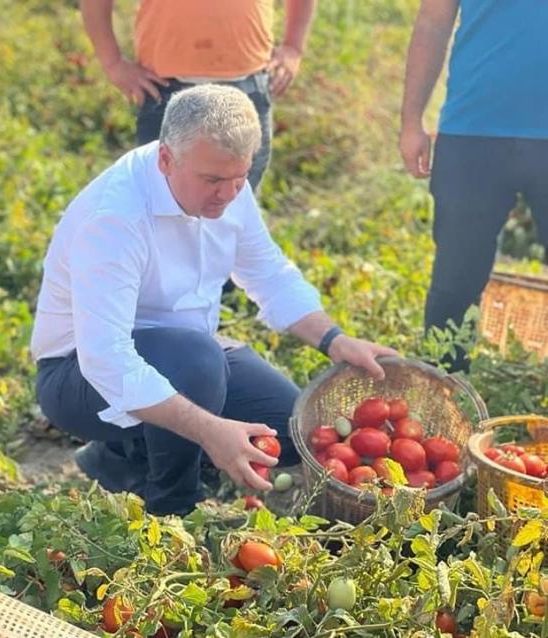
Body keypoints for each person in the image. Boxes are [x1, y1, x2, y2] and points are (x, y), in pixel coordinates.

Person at [31, 85, 395, 516]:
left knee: (289, 429)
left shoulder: (226, 184)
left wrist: (334, 340)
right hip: (77, 375)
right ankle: (172, 505)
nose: (228, 193)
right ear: (166, 159)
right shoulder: (114, 218)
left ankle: (121, 457)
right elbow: (106, 359)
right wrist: (209, 430)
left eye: (240, 178)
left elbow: (268, 273)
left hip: (187, 353)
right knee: (196, 362)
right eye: (213, 181)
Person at [400, 0, 548, 371]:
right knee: (454, 283)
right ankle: (446, 388)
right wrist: (411, 122)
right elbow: (432, 23)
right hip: (472, 131)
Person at [80, 0, 317, 191]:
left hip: (247, 87)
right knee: (164, 209)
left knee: (235, 214)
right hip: (164, 89)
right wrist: (113, 63)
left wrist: (293, 47)